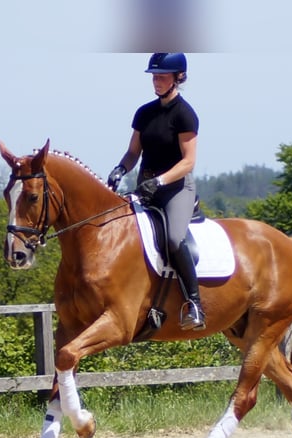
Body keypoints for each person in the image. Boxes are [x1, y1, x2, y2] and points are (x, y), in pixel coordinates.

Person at [107, 52, 206, 331]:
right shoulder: (144, 112)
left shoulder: (185, 115)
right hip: (146, 187)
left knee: (174, 239)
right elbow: (133, 152)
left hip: (176, 188)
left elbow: (188, 162)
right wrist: (120, 169)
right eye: (154, 76)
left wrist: (161, 181)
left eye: (162, 76)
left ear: (179, 77)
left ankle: (194, 304)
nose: (156, 81)